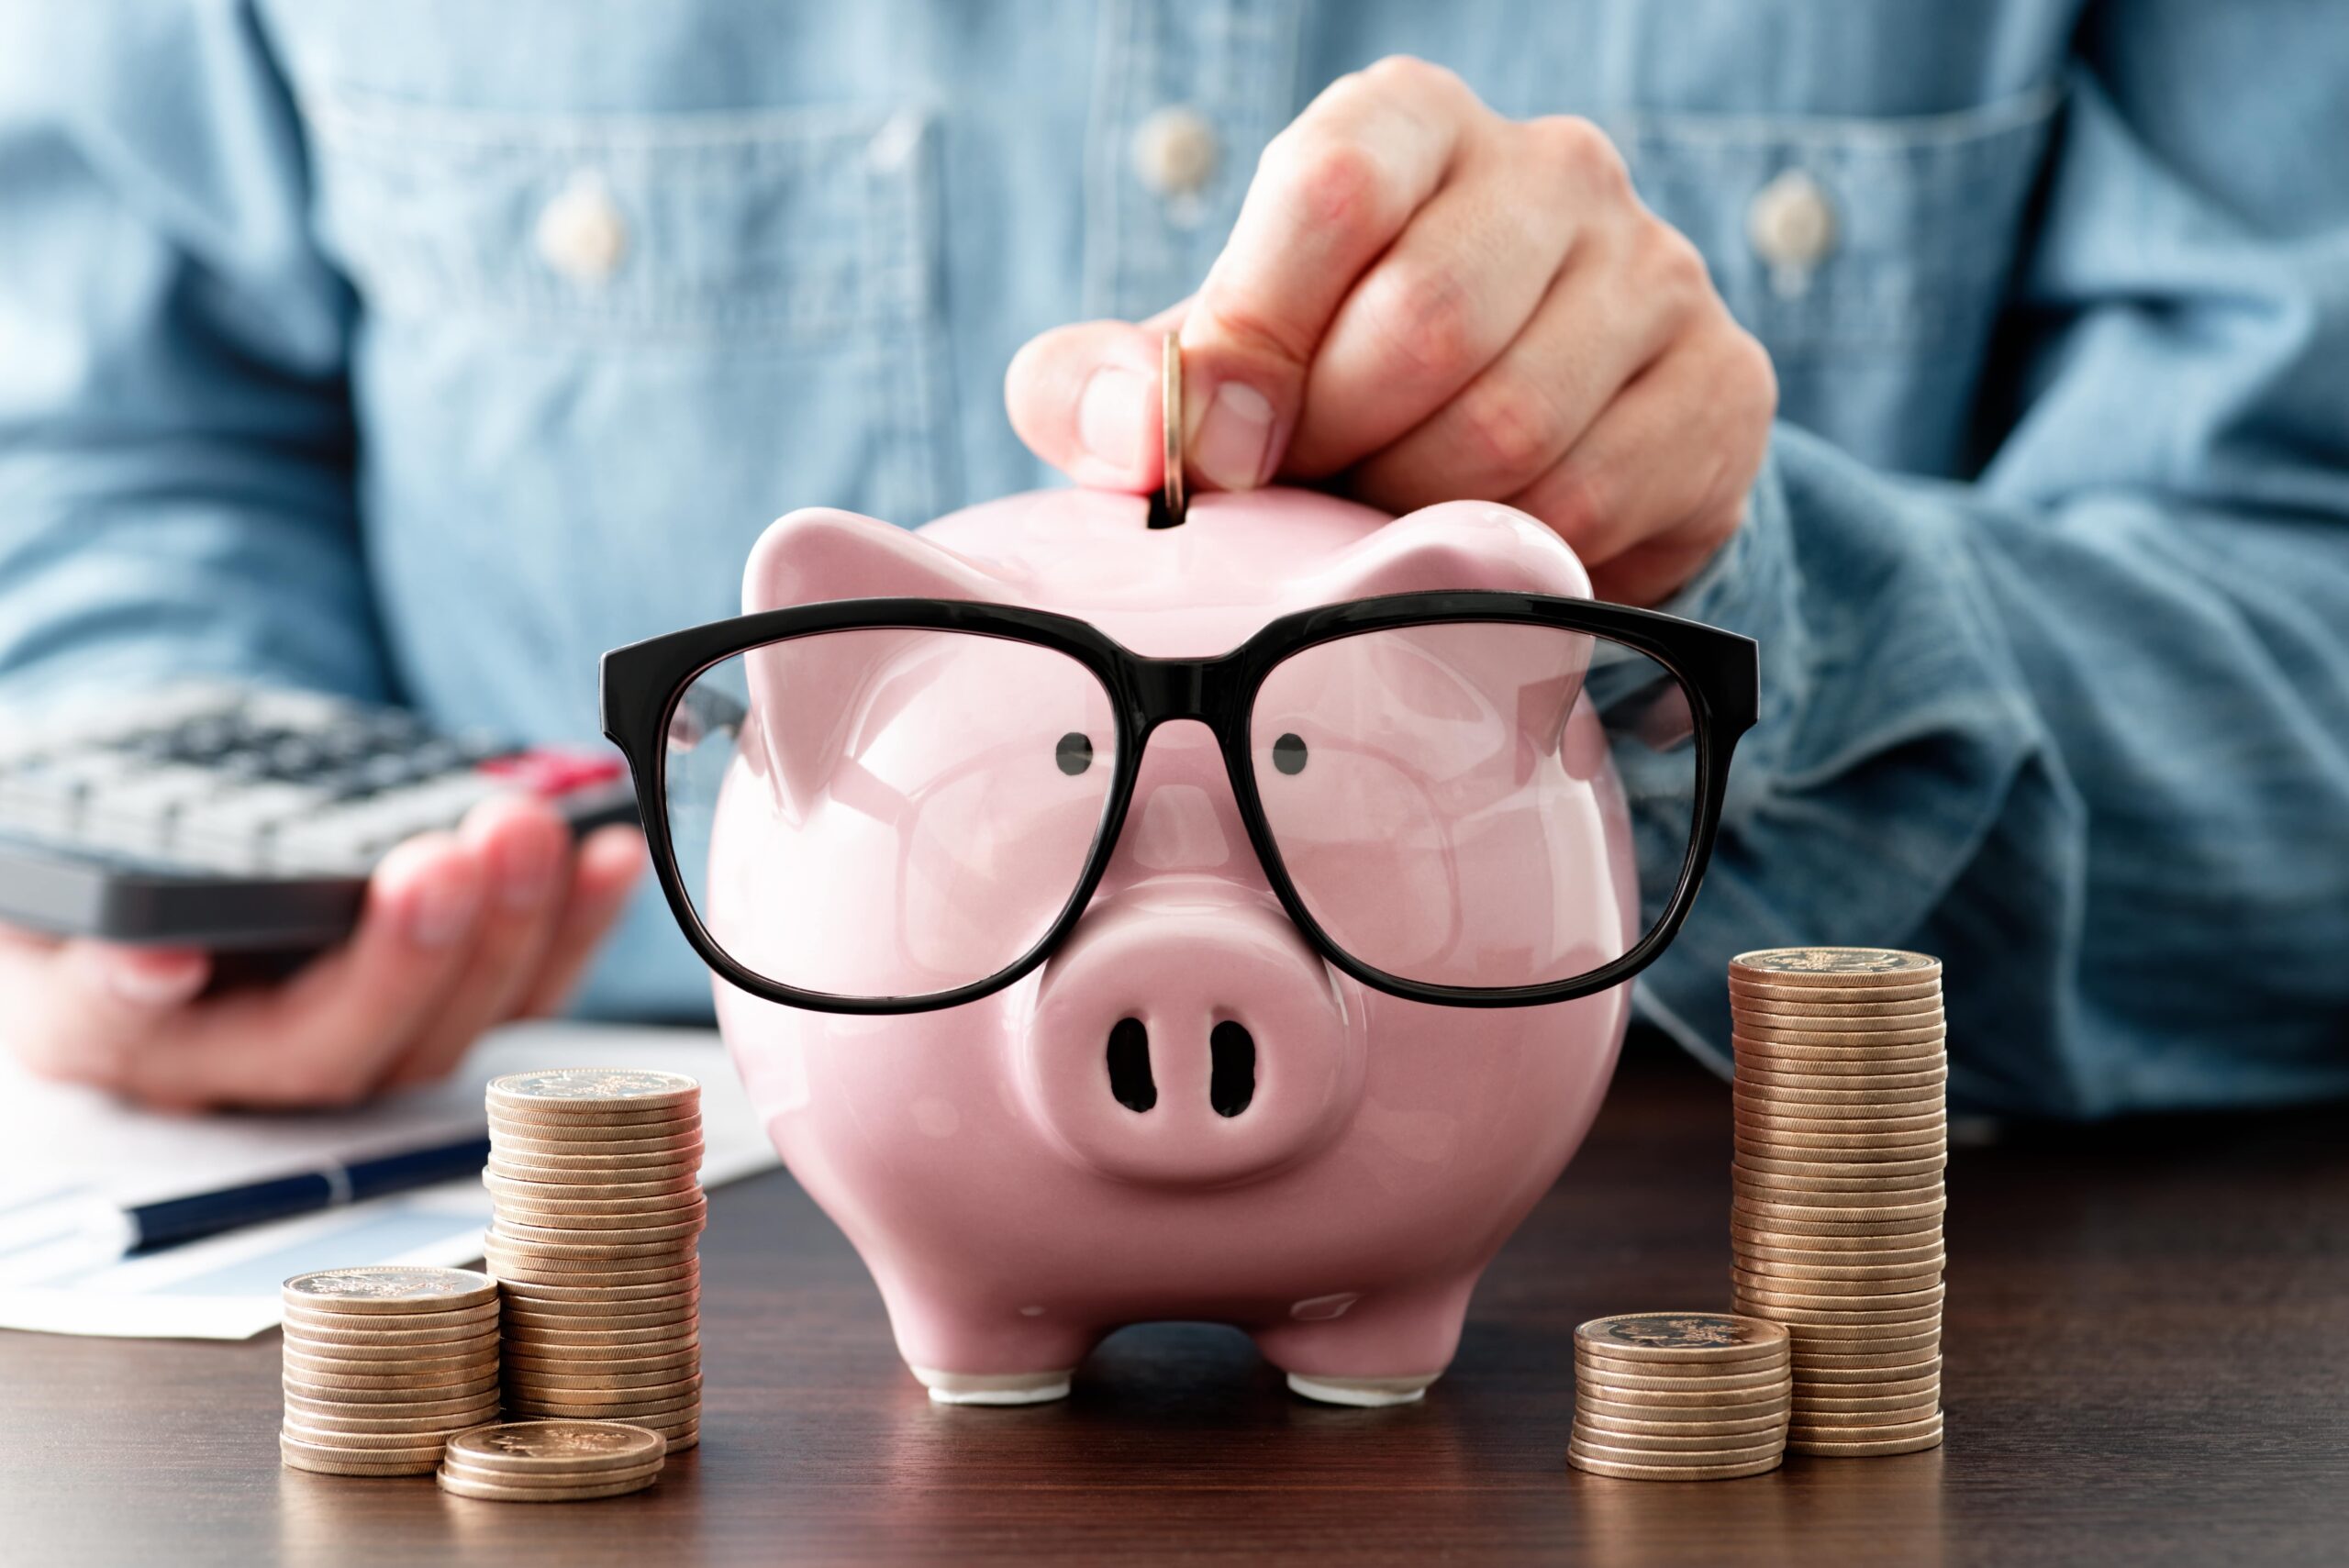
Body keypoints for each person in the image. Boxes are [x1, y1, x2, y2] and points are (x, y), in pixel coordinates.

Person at [3, 4, 2345, 1118]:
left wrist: (1733, 597)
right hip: (576, 1171)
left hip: (1690, 1230)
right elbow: (127, 443)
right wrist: (152, 863)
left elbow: (2300, 649)